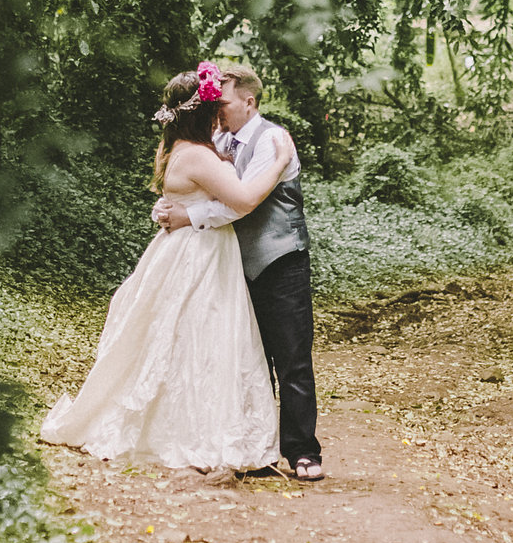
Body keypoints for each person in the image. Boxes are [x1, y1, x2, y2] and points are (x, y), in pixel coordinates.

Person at [39, 64, 281, 471]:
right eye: (216, 106)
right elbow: (241, 201)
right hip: (199, 254)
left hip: (192, 247)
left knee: (188, 335)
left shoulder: (181, 149)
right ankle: (188, 429)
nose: (222, 111)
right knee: (198, 333)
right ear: (203, 113)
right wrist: (278, 162)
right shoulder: (200, 156)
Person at [153, 55, 321, 481]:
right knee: (245, 356)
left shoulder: (273, 142)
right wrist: (176, 205)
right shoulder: (217, 144)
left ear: (248, 101)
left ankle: (303, 452)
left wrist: (189, 216)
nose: (216, 111)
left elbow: (240, 203)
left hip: (280, 260)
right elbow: (205, 189)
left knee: (292, 358)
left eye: (222, 104)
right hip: (229, 266)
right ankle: (255, 447)